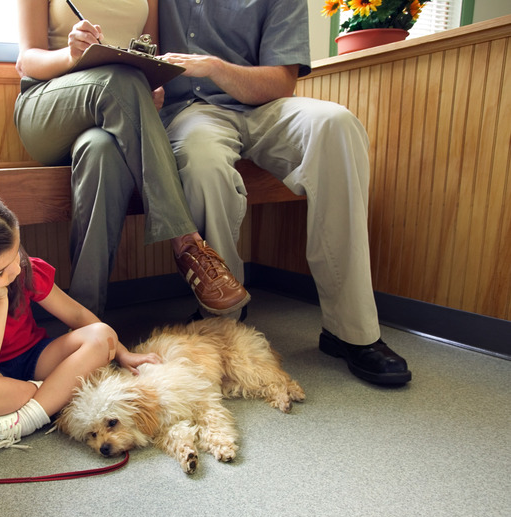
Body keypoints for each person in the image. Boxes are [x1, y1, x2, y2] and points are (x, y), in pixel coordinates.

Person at [156, 0, 411, 385]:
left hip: (265, 106)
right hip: (191, 113)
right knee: (200, 156)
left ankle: (351, 331)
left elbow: (280, 83)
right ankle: (223, 317)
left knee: (337, 124)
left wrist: (214, 67)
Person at [13, 0, 250, 319]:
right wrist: (72, 54)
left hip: (112, 112)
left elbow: (148, 57)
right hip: (48, 105)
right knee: (118, 79)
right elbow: (27, 59)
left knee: (101, 151)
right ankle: (187, 243)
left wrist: (151, 87)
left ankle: (86, 323)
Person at [0, 176, 160, 456]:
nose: (15, 271)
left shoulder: (24, 269)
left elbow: (79, 316)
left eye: (15, 255)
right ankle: (53, 395)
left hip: (36, 359)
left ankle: (23, 418)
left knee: (102, 334)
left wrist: (121, 353)